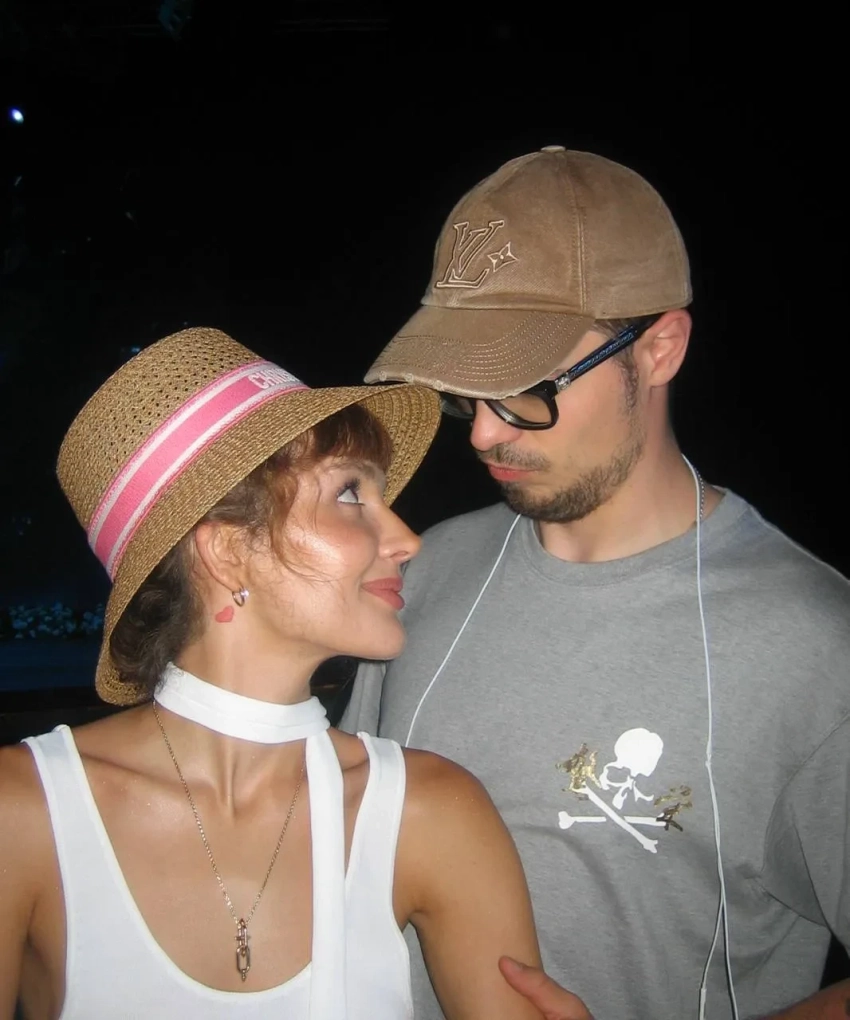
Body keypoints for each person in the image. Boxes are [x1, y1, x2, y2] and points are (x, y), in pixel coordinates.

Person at [342, 147, 850, 1019]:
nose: (483, 435)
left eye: (525, 387)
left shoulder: (812, 644)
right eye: (467, 391)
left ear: (658, 350)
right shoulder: (418, 572)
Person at [0, 327, 546, 1020]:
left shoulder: (431, 812)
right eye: (350, 493)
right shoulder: (23, 814)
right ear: (228, 551)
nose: (408, 540)